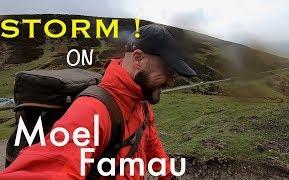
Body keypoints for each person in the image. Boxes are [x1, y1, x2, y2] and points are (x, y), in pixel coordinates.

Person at [0, 24, 197, 179]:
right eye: (168, 72)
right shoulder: (92, 111)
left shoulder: (141, 101)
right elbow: (48, 171)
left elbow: (152, 144)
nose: (171, 81)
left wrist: (168, 176)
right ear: (138, 59)